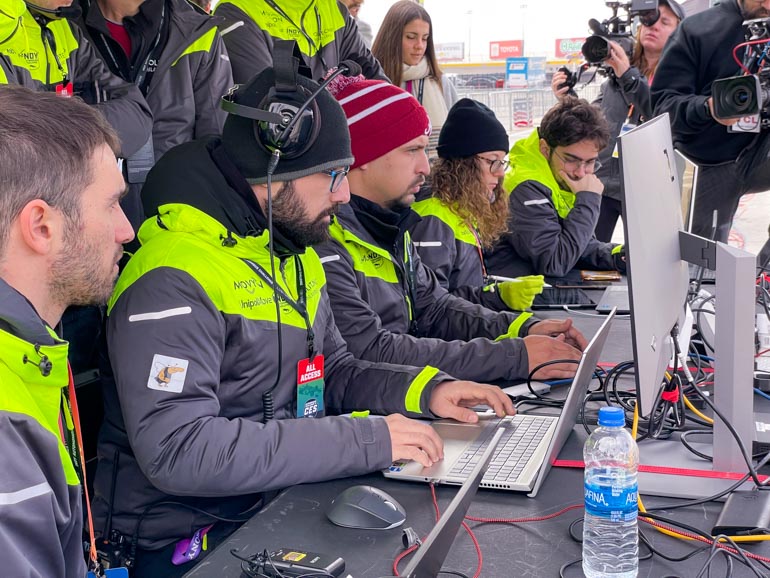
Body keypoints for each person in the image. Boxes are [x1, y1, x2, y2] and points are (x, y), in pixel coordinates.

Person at [92, 61, 514, 577]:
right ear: (274, 171)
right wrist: (367, 439)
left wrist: (428, 391)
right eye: (333, 175)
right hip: (178, 542)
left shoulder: (293, 252)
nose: (343, 194)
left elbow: (334, 370)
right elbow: (180, 448)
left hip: (274, 506)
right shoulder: (171, 276)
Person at [317, 76, 587, 387]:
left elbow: (436, 307)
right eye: (412, 150)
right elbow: (370, 349)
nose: (425, 166)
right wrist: (514, 355)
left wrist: (522, 328)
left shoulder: (391, 226)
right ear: (364, 155)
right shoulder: (327, 239)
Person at [0, 85, 134, 577]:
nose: (128, 230)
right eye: (111, 204)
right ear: (41, 226)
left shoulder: (25, 354)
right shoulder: (5, 427)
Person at [77, 0, 234, 230]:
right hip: (84, 221)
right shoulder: (62, 27)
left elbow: (218, 149)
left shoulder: (199, 32)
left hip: (174, 222)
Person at [551, 0, 684, 242]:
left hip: (646, 189)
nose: (653, 27)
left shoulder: (678, 77)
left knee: (649, 261)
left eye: (664, 22)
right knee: (586, 254)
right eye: (648, 21)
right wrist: (567, 97)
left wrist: (628, 76)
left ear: (680, 31)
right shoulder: (615, 76)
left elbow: (666, 117)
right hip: (603, 184)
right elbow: (594, 121)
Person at [410, 98, 545, 312]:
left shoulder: (457, 208)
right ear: (464, 164)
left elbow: (462, 286)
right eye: (493, 161)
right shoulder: (433, 218)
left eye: (502, 162)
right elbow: (431, 308)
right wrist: (497, 296)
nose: (500, 173)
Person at [652, 0, 770, 244]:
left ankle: (762, 274)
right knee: (702, 260)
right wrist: (709, 108)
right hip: (710, 162)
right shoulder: (697, 30)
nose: (767, 6)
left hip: (761, 152)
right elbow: (663, 106)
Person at [485, 98, 626, 279]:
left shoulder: (558, 176)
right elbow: (554, 262)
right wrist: (588, 200)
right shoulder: (526, 187)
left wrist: (618, 255)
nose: (581, 172)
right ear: (545, 148)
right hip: (520, 295)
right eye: (571, 159)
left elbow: (578, 245)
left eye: (590, 162)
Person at [0, 0, 152, 164]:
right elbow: (13, 145)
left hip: (61, 180)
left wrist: (72, 129)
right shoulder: (6, 28)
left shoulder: (64, 30)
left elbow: (136, 111)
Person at [214, 0, 386, 83]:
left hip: (336, 143)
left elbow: (374, 77)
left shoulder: (334, 9)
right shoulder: (236, 10)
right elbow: (264, 99)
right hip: (278, 148)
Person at [371, 0, 457, 157]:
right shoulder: (372, 83)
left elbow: (457, 137)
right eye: (411, 37)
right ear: (392, 38)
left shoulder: (441, 83)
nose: (419, 45)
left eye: (425, 38)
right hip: (385, 177)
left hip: (435, 178)